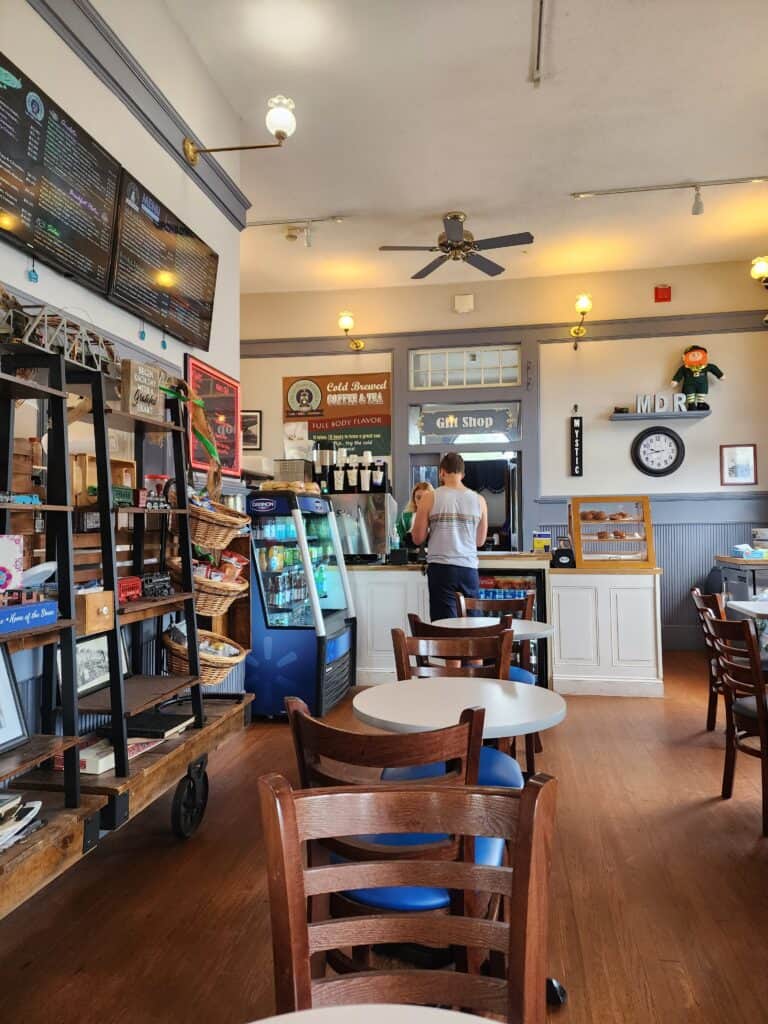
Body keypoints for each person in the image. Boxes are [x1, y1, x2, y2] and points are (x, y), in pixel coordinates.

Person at [411, 452, 488, 620]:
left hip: (441, 568)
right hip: (468, 568)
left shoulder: (429, 498)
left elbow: (417, 538)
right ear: (463, 474)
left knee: (444, 626)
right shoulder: (479, 500)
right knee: (472, 624)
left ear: (441, 472)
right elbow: (480, 541)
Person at [396, 481, 433, 546]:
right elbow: (398, 542)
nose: (422, 501)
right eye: (418, 497)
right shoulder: (405, 518)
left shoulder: (437, 517)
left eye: (425, 498)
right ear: (414, 499)